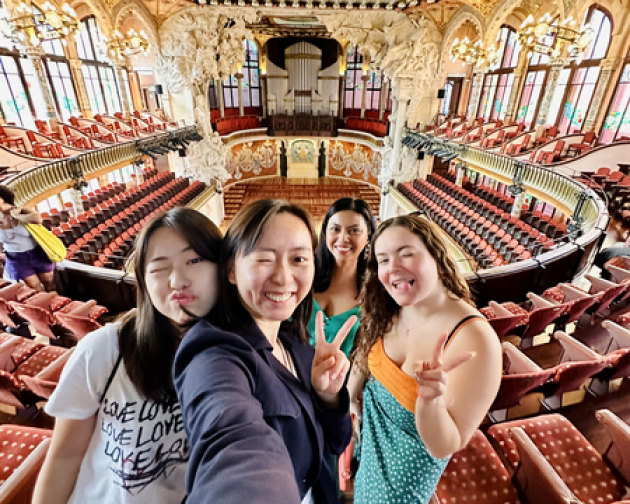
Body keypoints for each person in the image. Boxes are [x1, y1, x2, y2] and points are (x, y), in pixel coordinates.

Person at [32, 207, 222, 504]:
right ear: (144, 281)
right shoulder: (105, 348)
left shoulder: (240, 358)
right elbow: (64, 457)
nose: (177, 280)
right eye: (159, 267)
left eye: (194, 260)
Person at [174, 199, 354, 504]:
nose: (284, 278)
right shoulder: (214, 354)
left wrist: (327, 397)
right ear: (231, 269)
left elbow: (336, 442)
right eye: (264, 259)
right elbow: (232, 440)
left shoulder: (297, 347)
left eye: (298, 259)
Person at [349, 215, 502, 504]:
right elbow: (368, 347)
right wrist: (351, 392)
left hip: (401, 492)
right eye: (382, 260)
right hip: (369, 454)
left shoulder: (474, 339)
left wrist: (430, 401)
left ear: (437, 256)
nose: (393, 268)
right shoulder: (391, 305)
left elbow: (444, 446)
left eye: (406, 254)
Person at [309, 198, 375, 357]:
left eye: (354, 230)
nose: (343, 238)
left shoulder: (375, 291)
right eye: (335, 229)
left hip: (341, 379)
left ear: (368, 236)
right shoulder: (305, 274)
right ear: (325, 232)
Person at [0, 186, 55, 291]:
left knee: (49, 283)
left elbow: (37, 219)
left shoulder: (20, 211)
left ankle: (55, 302)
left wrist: (15, 214)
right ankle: (44, 305)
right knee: (36, 288)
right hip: (17, 258)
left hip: (37, 252)